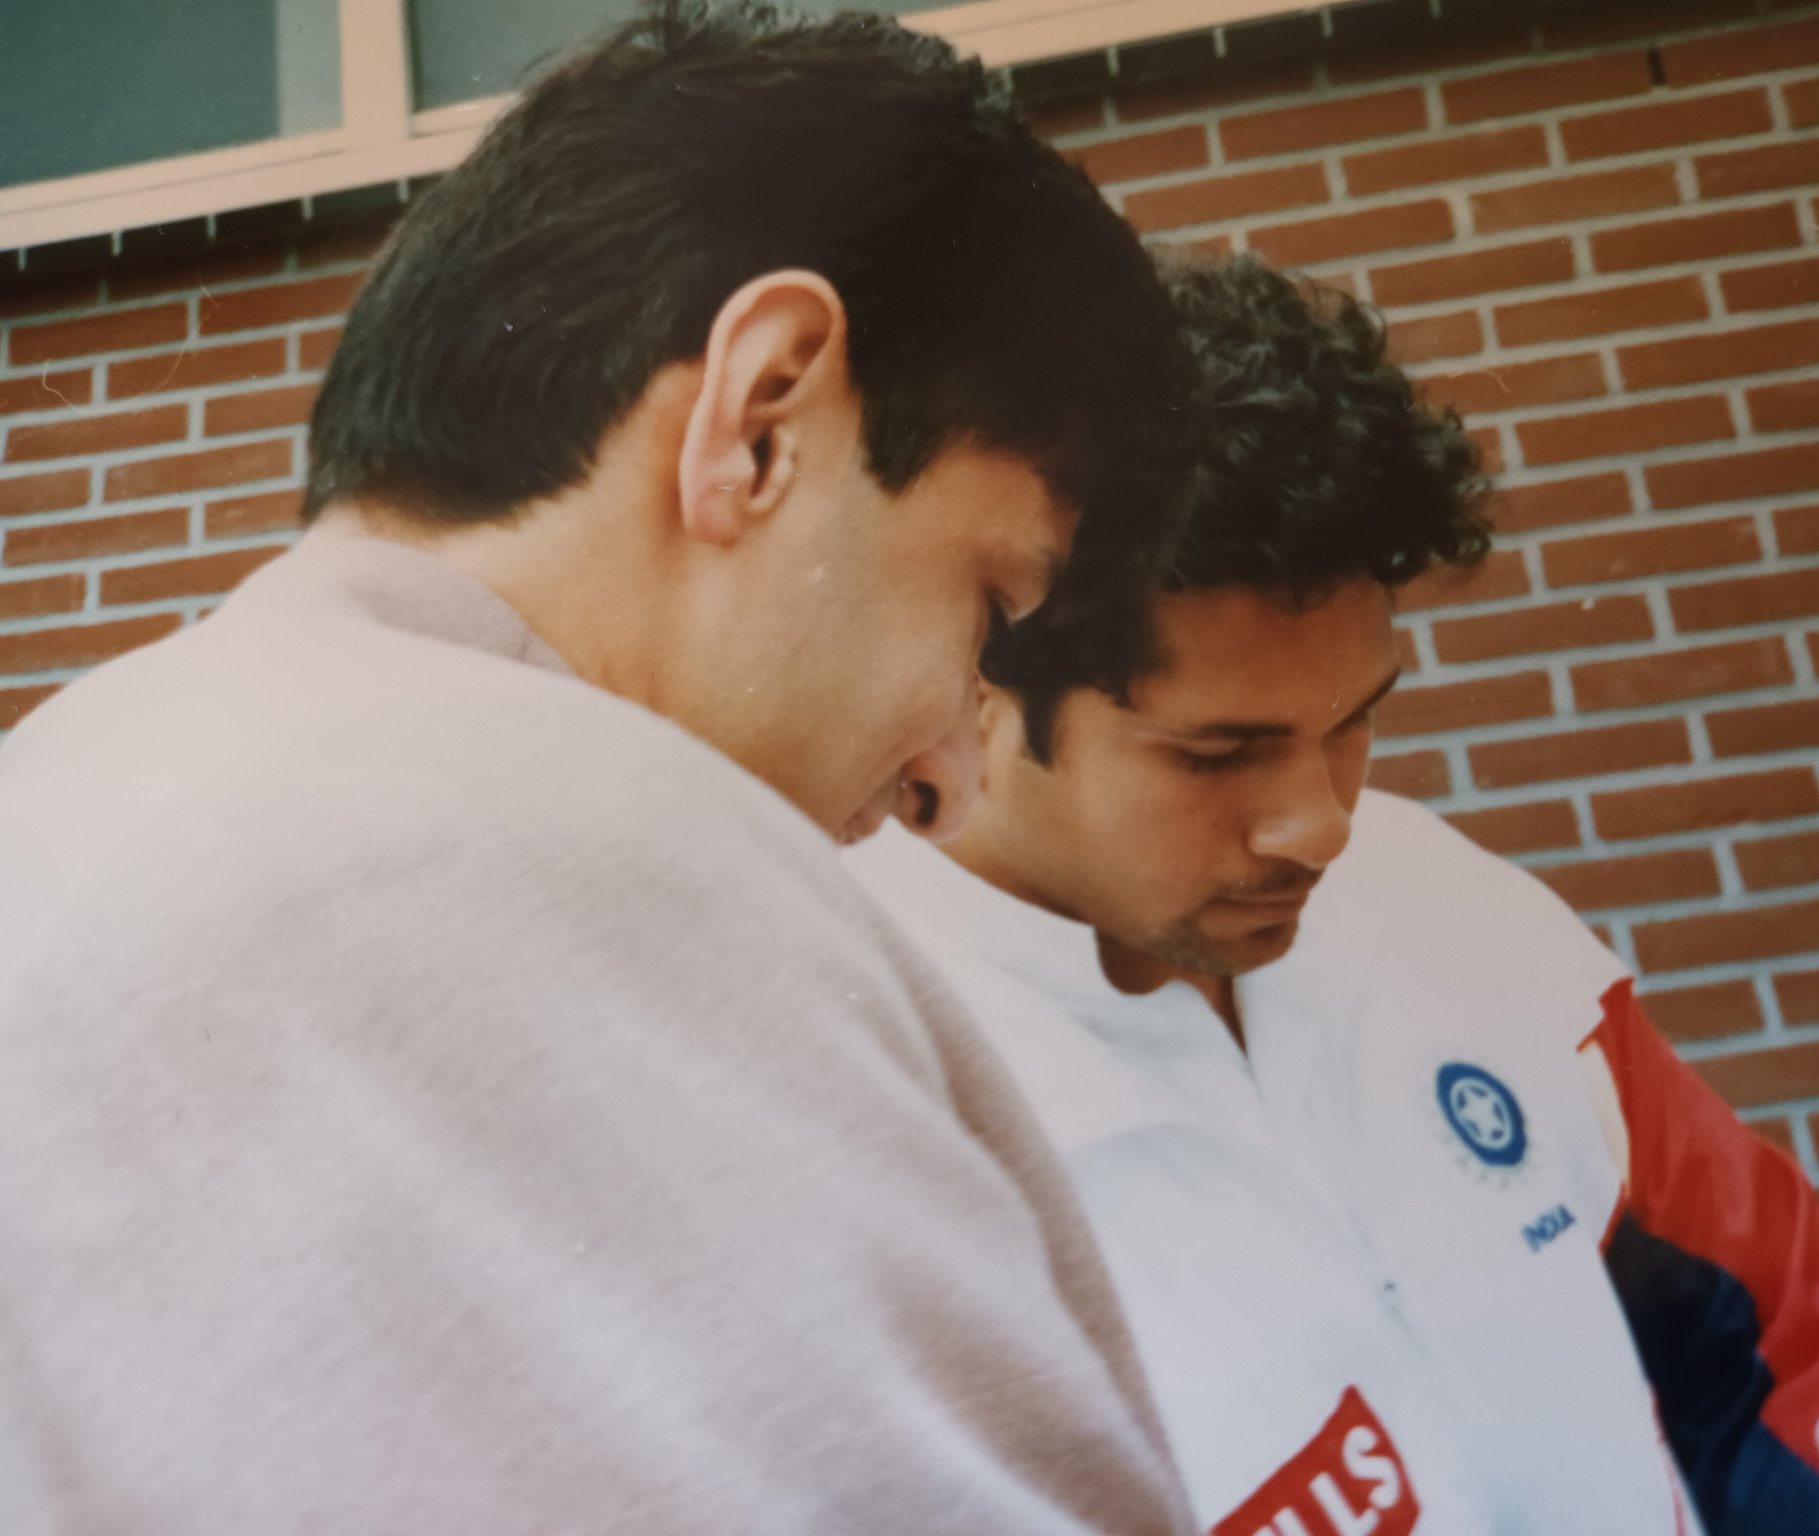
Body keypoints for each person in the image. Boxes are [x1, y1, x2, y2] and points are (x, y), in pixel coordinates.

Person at [0, 4, 1203, 1531]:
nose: (950, 787)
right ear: (762, 416)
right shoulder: (507, 854)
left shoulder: (99, 781)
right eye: (992, 609)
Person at [847, 252, 1819, 1536]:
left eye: (1354, 722)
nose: (1322, 823)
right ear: (965, 684)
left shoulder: (1442, 907)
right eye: (1218, 753)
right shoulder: (851, 1114)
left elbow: (1787, 1347)